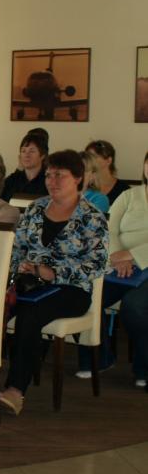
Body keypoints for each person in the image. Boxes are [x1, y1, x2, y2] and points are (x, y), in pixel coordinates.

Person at [0, 150, 108, 415]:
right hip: (29, 282)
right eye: (48, 175)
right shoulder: (36, 208)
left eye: (59, 175)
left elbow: (96, 265)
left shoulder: (92, 216)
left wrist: (53, 273)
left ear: (78, 178)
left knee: (30, 315)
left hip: (71, 289)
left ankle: (15, 390)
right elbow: (15, 249)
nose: (52, 181)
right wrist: (20, 267)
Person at [77, 151, 148, 385]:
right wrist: (119, 257)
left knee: (134, 306)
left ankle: (144, 368)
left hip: (144, 266)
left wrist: (133, 255)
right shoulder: (129, 196)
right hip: (119, 265)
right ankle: (99, 359)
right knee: (86, 294)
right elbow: (109, 229)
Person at [0, 130, 49, 201]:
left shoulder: (49, 181)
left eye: (32, 151)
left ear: (42, 156)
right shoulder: (11, 181)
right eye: (23, 151)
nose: (27, 155)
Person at [85, 139, 130, 206]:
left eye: (94, 157)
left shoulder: (124, 191)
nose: (89, 161)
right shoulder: (83, 187)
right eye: (88, 157)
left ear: (109, 160)